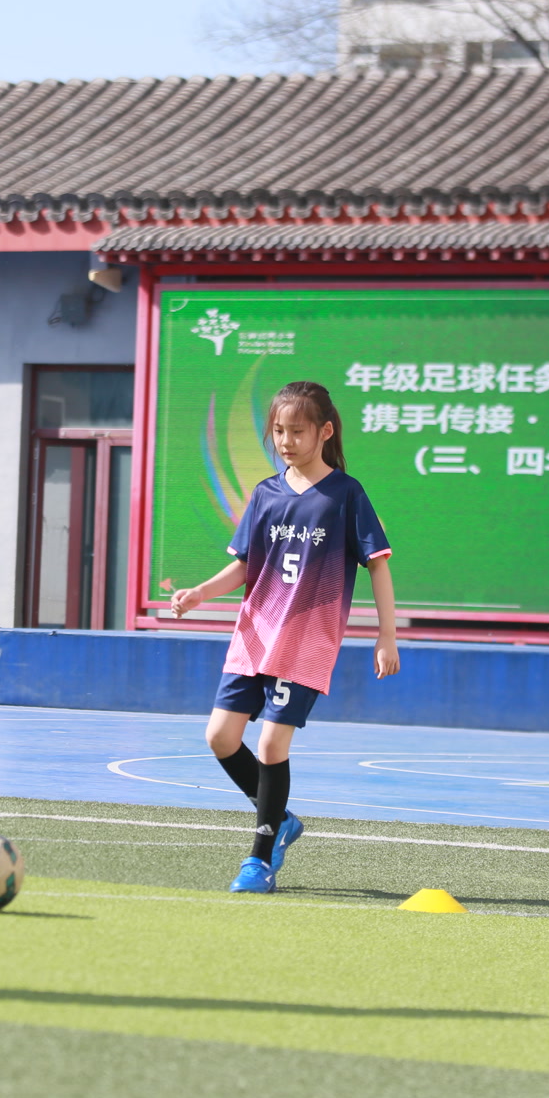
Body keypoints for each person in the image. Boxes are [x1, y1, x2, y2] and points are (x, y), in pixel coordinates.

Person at [169, 380, 400, 894]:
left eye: (297, 430)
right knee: (220, 737)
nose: (286, 440)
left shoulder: (346, 494)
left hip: (307, 643)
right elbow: (246, 566)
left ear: (325, 431)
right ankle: (282, 818)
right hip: (254, 636)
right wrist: (201, 593)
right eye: (278, 430)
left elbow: (378, 566)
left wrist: (386, 635)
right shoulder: (265, 494)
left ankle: (259, 858)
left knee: (272, 743)